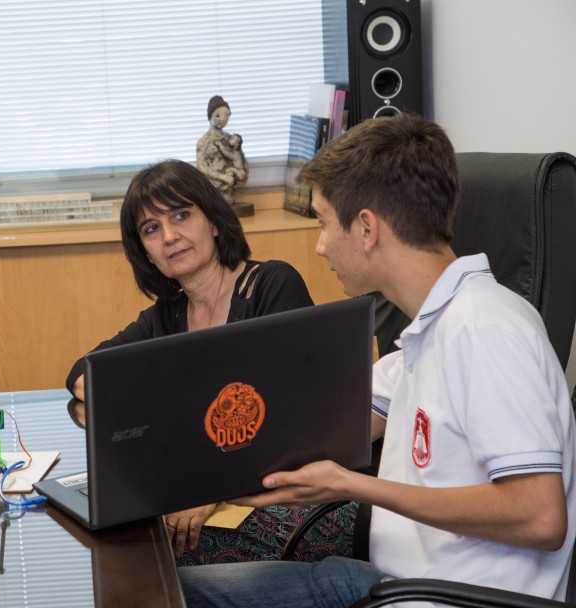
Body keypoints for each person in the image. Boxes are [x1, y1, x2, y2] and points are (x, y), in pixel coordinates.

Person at [179, 114, 576, 605]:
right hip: (392, 584)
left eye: (324, 222)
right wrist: (180, 472)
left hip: (447, 599)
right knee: (169, 592)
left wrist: (351, 485)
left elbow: (539, 517)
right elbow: (309, 426)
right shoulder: (425, 333)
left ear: (366, 228)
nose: (321, 245)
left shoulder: (484, 329)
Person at [65, 158, 314, 558]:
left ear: (214, 221)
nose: (169, 236)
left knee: (148, 549)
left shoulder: (271, 285)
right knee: (114, 531)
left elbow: (288, 420)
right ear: (145, 252)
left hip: (285, 496)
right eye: (151, 228)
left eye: (181, 215)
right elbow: (83, 374)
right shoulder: (166, 315)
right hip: (206, 491)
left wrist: (209, 492)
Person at [196, 96, 248, 204]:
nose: (223, 119)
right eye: (218, 115)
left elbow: (239, 161)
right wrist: (222, 177)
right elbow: (202, 167)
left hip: (229, 186)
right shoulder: (203, 141)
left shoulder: (231, 139)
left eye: (227, 115)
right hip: (214, 185)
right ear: (210, 116)